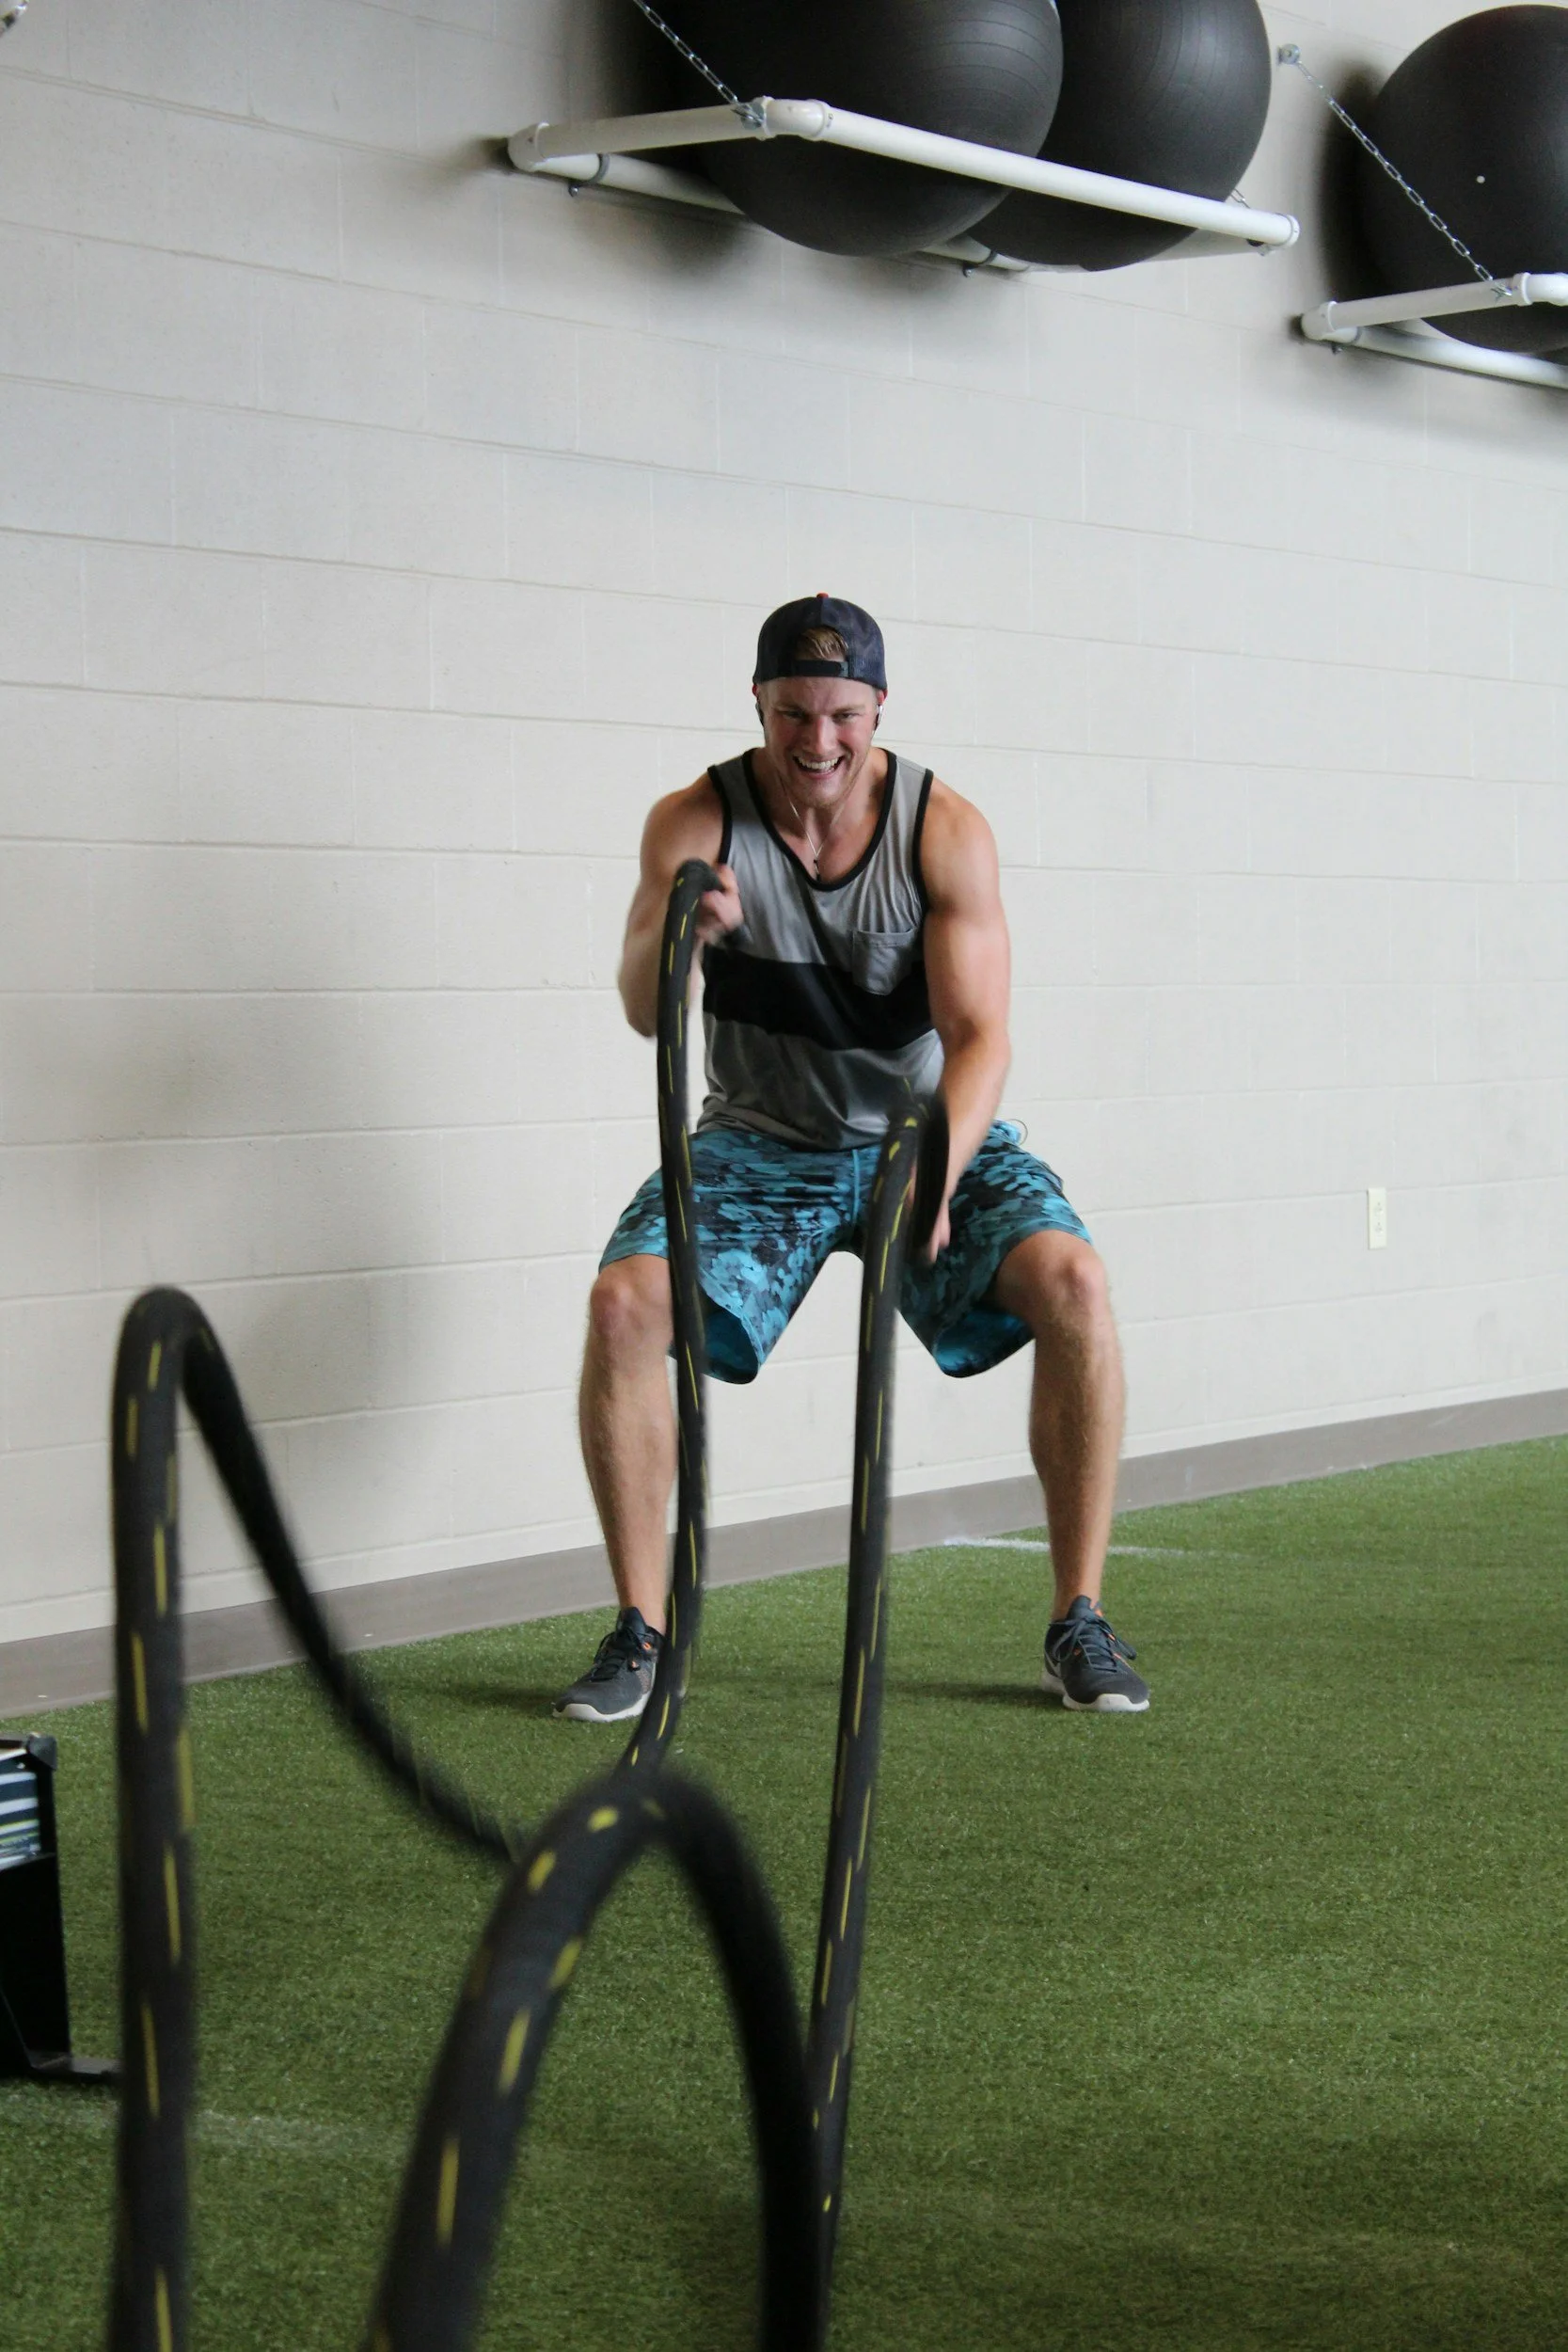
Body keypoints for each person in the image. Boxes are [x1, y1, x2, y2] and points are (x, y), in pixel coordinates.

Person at [555, 594, 1148, 1723]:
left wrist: (936, 1166)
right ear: (757, 705)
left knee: (1073, 1284)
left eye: (839, 716)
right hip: (758, 1142)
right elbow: (644, 1009)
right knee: (623, 1309)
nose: (815, 744)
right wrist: (680, 937)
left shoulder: (942, 830)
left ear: (877, 707)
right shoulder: (694, 820)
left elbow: (981, 1039)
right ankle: (640, 1630)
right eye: (791, 715)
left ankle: (1079, 1618)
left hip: (922, 1134)